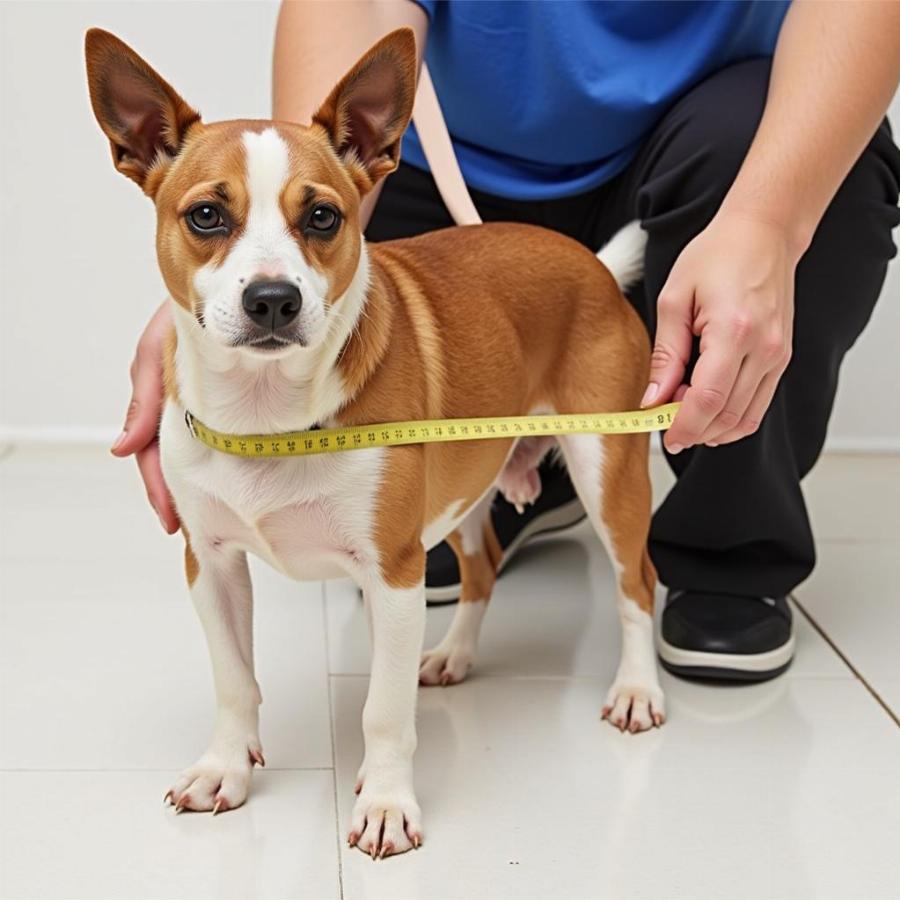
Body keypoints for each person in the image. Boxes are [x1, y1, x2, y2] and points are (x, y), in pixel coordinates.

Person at [113, 0, 900, 682]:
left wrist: (767, 222)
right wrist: (237, 274)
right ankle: (516, 466)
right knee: (385, 500)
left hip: (709, 142)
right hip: (446, 162)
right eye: (205, 221)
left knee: (820, 184)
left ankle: (729, 544)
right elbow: (341, 53)